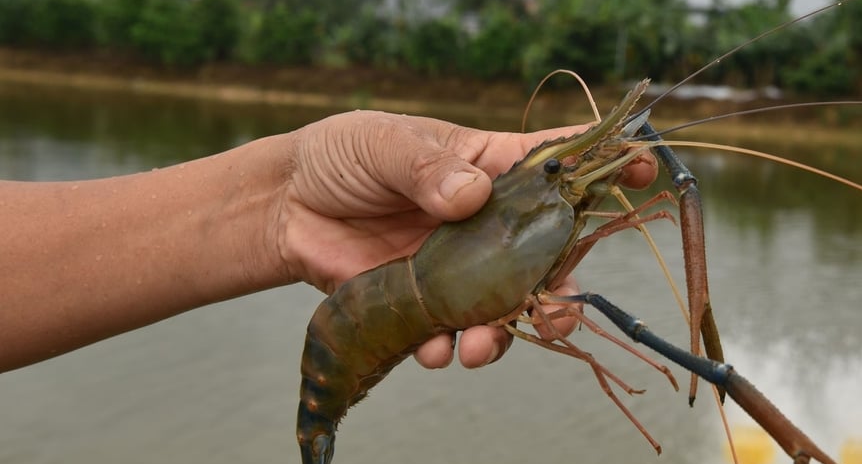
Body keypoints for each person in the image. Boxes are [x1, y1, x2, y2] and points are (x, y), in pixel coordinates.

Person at [0, 109, 657, 373]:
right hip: (347, 340)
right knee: (587, 295)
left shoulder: (553, 201)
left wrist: (283, 200)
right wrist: (282, 200)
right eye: (553, 171)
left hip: (404, 297)